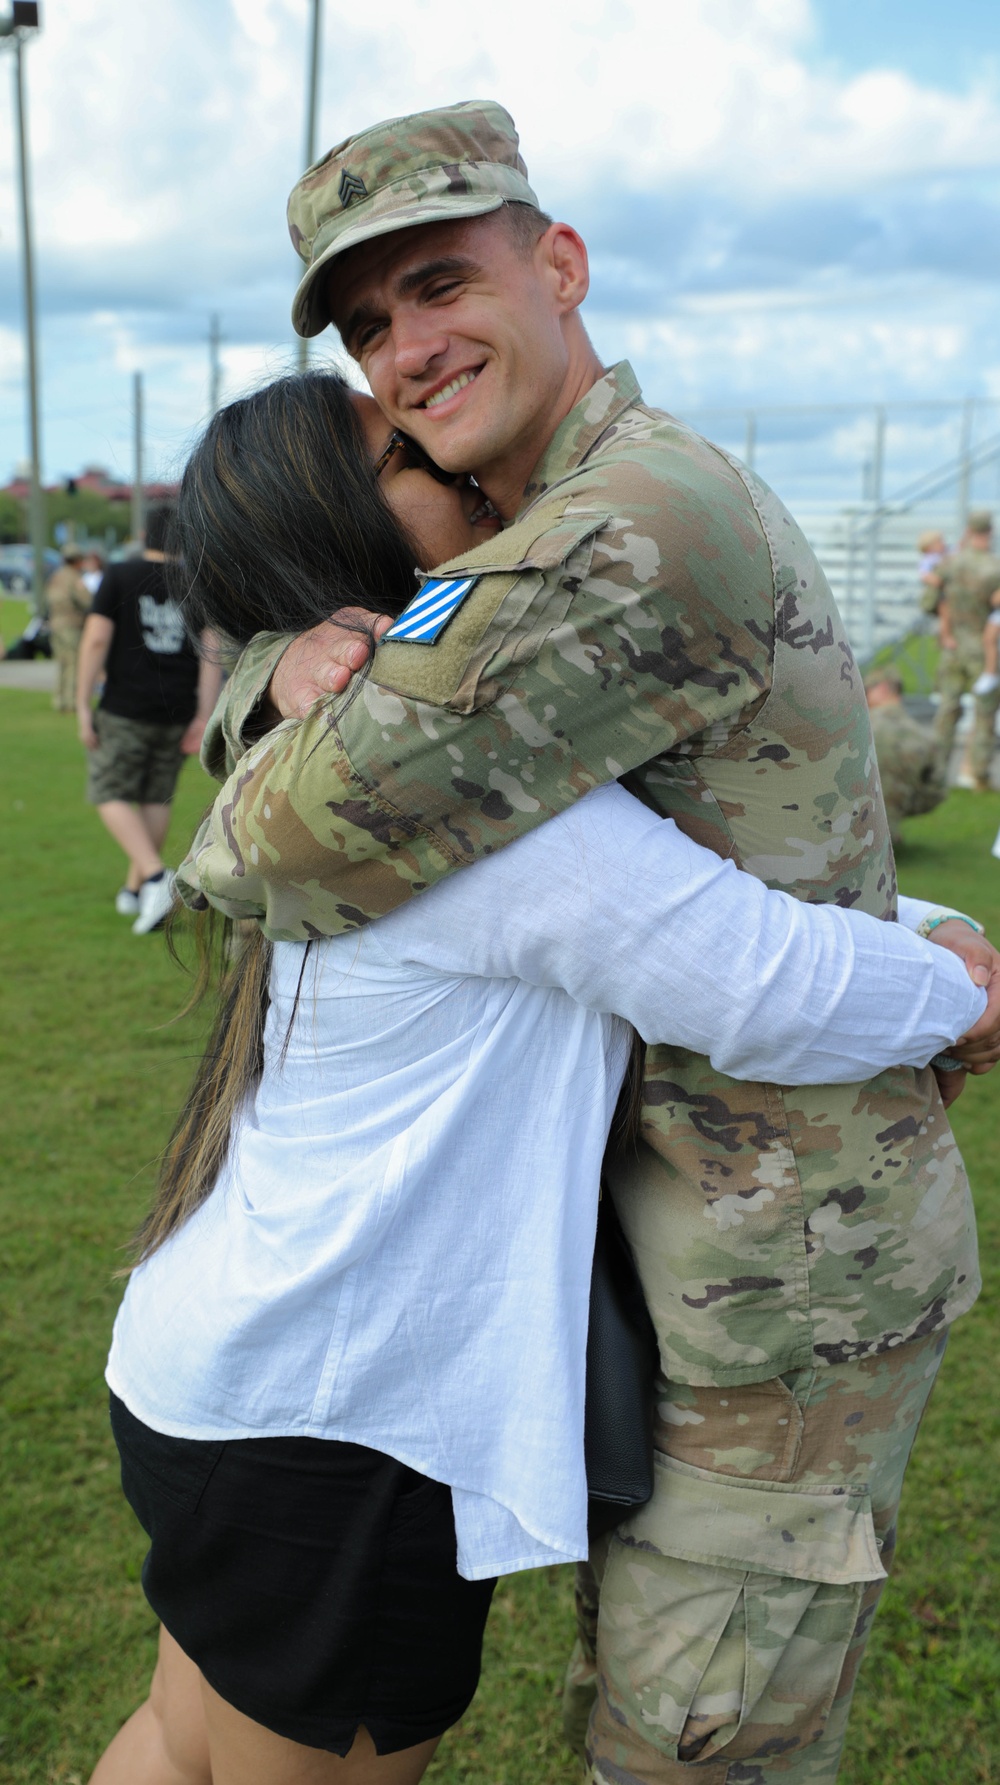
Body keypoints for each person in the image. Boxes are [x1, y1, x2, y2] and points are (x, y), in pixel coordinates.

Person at [176, 103, 1000, 1785]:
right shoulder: (560, 507)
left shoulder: (621, 524)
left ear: (559, 266)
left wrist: (274, 692)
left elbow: (277, 839)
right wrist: (281, 667)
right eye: (365, 324)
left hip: (780, 1288)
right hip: (704, 1246)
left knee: (691, 1759)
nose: (405, 350)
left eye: (439, 282)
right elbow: (711, 861)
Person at [76, 505, 222, 932]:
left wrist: (82, 703)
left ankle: (157, 878)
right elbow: (211, 651)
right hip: (177, 709)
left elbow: (96, 639)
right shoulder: (196, 582)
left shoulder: (120, 573)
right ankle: (136, 888)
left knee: (109, 792)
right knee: (155, 797)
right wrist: (202, 714)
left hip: (126, 706)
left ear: (144, 534)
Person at [933, 508, 1000, 788]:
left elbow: (932, 600)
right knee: (985, 713)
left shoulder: (950, 564)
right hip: (982, 649)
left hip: (952, 645)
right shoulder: (994, 569)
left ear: (969, 530)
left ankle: (936, 772)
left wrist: (946, 631)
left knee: (948, 709)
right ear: (990, 531)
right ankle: (978, 774)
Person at [865, 666, 946, 846]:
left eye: (867, 690)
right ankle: (890, 826)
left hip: (854, 821)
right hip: (900, 806)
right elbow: (938, 790)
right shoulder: (924, 736)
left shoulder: (858, 726)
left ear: (883, 688)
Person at [46, 544, 92, 712]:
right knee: (74, 663)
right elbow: (86, 601)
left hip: (55, 624)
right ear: (77, 561)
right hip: (71, 625)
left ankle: (59, 700)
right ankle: (71, 701)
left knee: (61, 663)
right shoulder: (75, 578)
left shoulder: (56, 576)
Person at [917, 526, 948, 616]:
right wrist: (940, 582)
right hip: (939, 596)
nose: (943, 544)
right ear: (929, 547)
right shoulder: (928, 560)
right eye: (939, 542)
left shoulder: (945, 555)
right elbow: (925, 576)